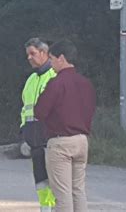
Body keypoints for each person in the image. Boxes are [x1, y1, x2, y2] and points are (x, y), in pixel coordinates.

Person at [35, 39, 96, 212]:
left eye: (52, 59)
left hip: (61, 142)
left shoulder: (56, 83)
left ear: (61, 58)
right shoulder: (86, 84)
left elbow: (40, 111)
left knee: (62, 196)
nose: (51, 64)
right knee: (78, 191)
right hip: (82, 140)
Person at [20, 38, 56, 211]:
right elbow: (25, 109)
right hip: (34, 140)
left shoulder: (54, 76)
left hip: (50, 140)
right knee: (41, 182)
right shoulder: (31, 80)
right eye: (27, 55)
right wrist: (23, 131)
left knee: (56, 182)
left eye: (32, 54)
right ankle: (45, 209)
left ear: (44, 53)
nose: (29, 58)